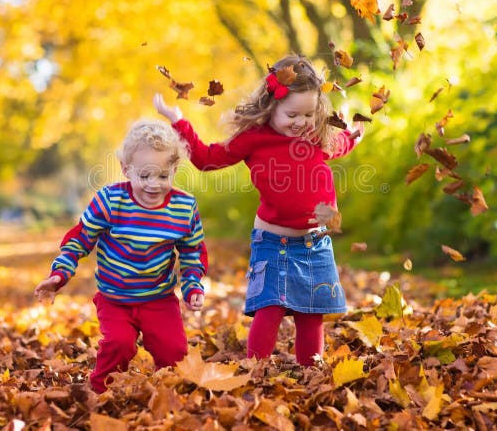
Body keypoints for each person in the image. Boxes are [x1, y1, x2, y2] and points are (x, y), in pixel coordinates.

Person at [154, 54, 363, 366]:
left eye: (308, 114)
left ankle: (310, 370)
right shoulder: (255, 138)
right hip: (273, 243)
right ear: (271, 106)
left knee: (312, 312)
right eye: (292, 114)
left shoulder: (316, 135)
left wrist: (355, 134)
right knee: (270, 309)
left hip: (315, 243)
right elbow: (207, 158)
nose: (301, 122)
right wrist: (179, 121)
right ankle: (255, 369)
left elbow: (341, 143)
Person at [34, 119, 208, 393]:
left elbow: (192, 252)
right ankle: (101, 392)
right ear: (127, 170)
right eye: (145, 176)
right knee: (119, 344)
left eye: (163, 176)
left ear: (174, 170)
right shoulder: (110, 200)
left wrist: (192, 286)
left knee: (174, 351)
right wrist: (59, 275)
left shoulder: (183, 207)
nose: (154, 184)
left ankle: (168, 395)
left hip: (159, 298)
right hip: (115, 298)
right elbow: (80, 238)